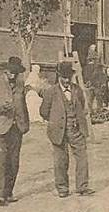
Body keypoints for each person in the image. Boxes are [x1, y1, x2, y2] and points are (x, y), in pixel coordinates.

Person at [40, 62, 93, 197]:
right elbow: (43, 112)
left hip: (76, 129)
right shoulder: (51, 92)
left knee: (82, 158)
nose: (66, 80)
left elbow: (80, 105)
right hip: (58, 131)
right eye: (64, 77)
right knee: (61, 161)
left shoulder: (77, 90)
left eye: (69, 77)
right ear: (59, 76)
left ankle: (82, 186)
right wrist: (56, 120)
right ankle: (62, 188)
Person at [0, 56, 30, 205]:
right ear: (6, 70)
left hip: (16, 127)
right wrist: (2, 106)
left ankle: (9, 192)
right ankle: (0, 193)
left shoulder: (20, 84)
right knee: (0, 161)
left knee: (13, 161)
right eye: (12, 71)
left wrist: (25, 123)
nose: (13, 74)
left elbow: (23, 105)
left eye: (16, 72)